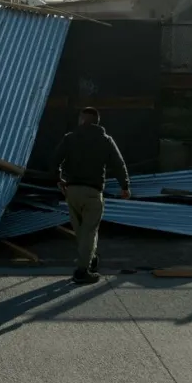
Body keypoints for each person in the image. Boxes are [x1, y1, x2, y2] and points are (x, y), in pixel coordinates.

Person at [51, 107, 130, 285]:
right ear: (97, 122)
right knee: (89, 230)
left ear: (81, 120)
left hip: (72, 191)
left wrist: (58, 179)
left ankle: (89, 259)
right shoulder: (105, 140)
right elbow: (118, 164)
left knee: (80, 231)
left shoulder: (69, 138)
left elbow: (54, 161)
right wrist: (124, 186)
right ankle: (82, 270)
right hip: (93, 192)